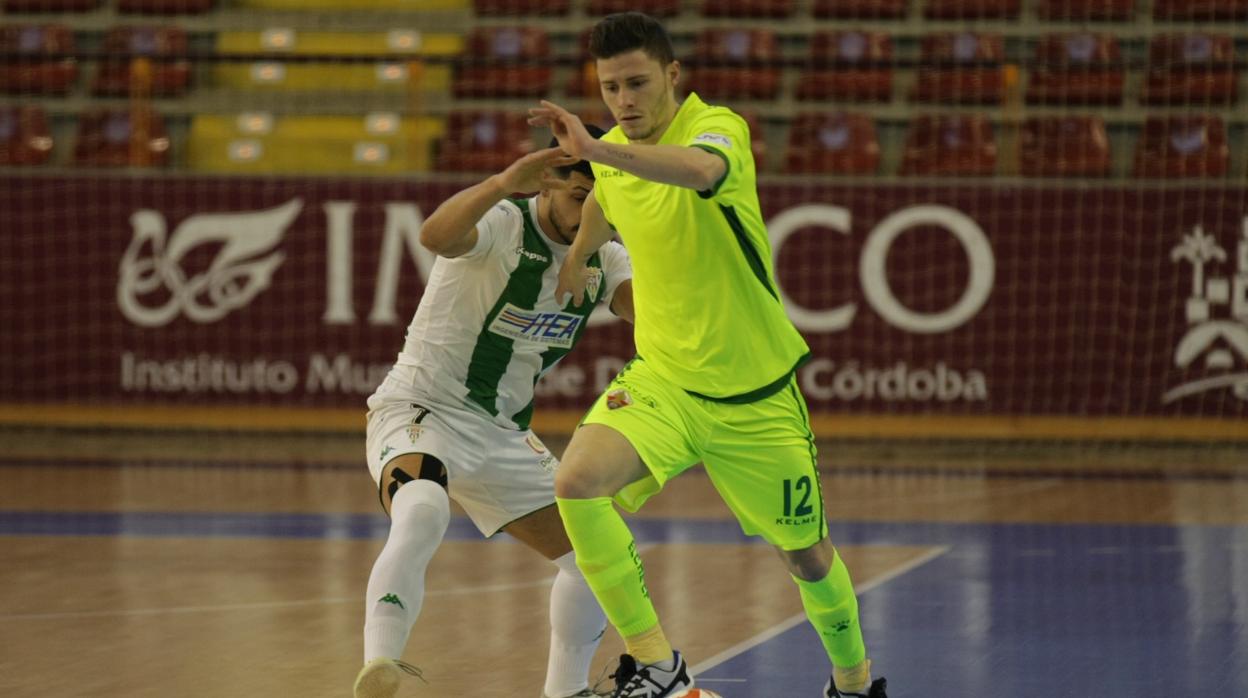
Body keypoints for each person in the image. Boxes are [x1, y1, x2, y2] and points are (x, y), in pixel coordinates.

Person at [527, 12, 887, 698]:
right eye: (610, 88)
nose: (623, 101)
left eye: (637, 83)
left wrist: (597, 150)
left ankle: (854, 681)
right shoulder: (614, 156)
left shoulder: (716, 128)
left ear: (672, 75)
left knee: (807, 557)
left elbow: (698, 172)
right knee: (576, 483)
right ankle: (657, 663)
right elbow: (606, 202)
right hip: (664, 381)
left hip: (753, 397)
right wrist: (578, 256)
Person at [354, 128, 634, 698]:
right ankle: (379, 665)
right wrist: (504, 182)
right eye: (580, 198)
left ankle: (566, 691)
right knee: (423, 507)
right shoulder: (506, 222)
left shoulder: (606, 257)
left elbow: (655, 318)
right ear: (549, 184)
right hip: (422, 408)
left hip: (503, 434)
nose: (590, 215)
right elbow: (435, 235)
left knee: (597, 555)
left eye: (604, 205)